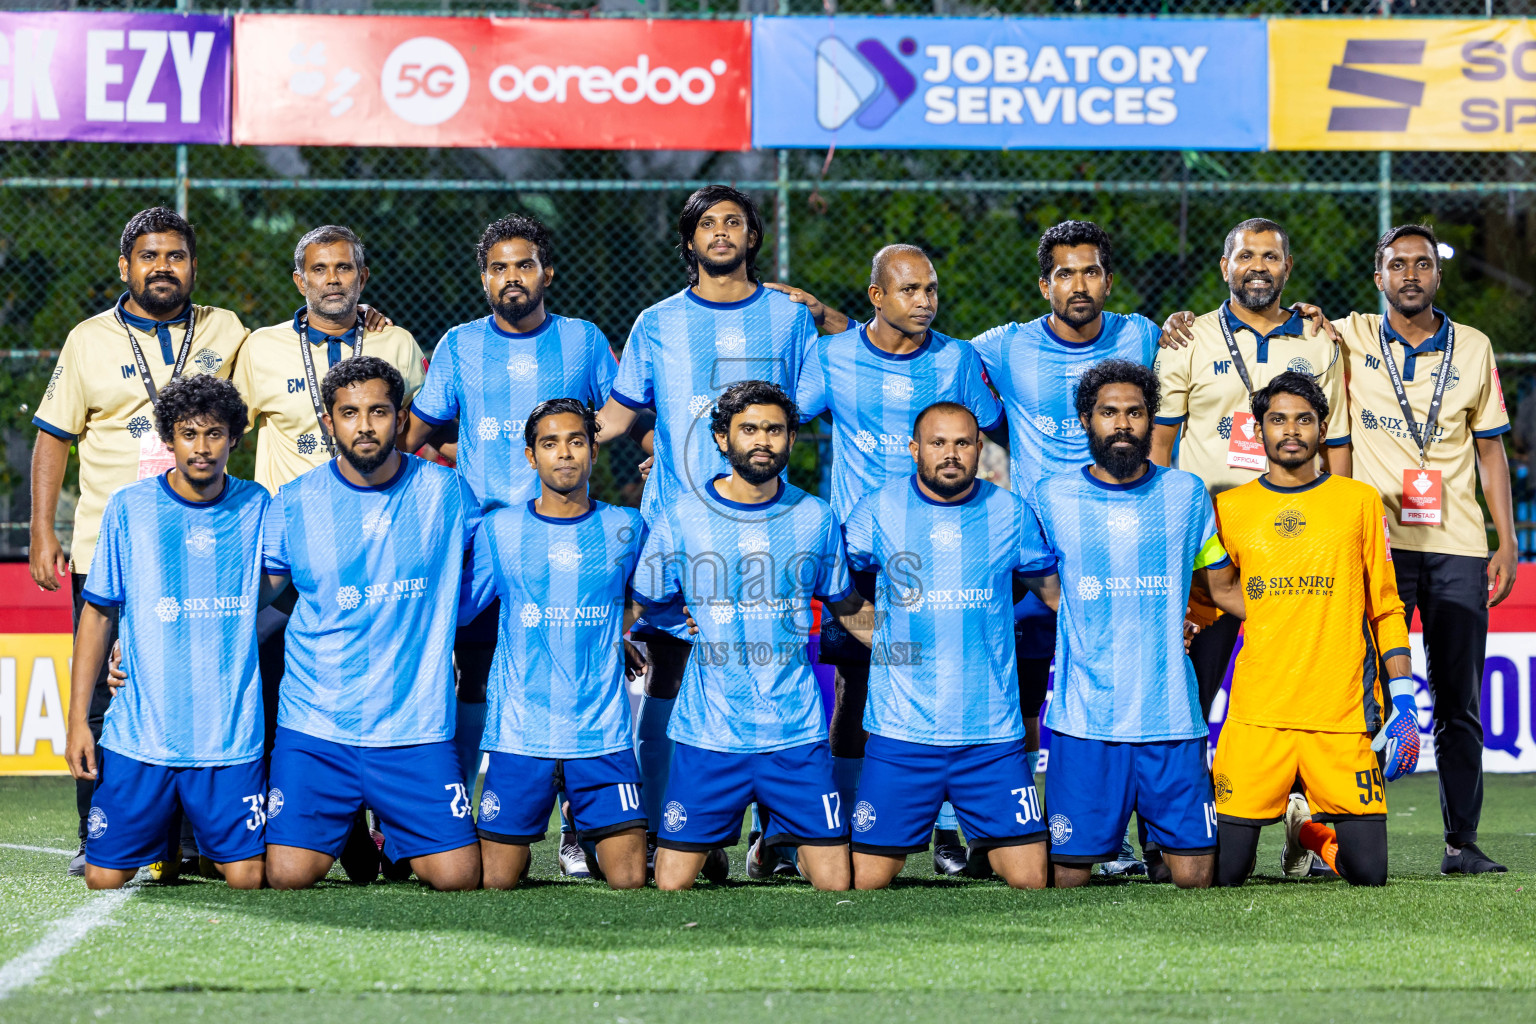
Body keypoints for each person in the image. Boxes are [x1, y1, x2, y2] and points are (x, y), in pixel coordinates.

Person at [595, 186, 818, 875]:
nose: (721, 232)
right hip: (680, 536)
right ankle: (674, 829)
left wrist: (836, 318)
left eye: (734, 222)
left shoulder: (788, 318)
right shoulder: (657, 322)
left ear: (753, 237)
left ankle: (777, 838)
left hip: (768, 535)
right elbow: (618, 417)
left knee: (769, 674)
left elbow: (814, 400)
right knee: (671, 675)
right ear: (689, 240)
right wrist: (550, 444)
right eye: (708, 223)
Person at [399, 215, 621, 877]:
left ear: (547, 273)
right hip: (484, 546)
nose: (512, 277)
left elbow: (621, 414)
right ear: (484, 278)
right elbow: (418, 431)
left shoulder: (583, 340)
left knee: (572, 676)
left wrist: (646, 455)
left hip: (569, 541)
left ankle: (578, 827)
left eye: (524, 265)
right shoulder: (459, 344)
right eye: (499, 267)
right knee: (471, 677)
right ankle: (455, 816)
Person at [30, 207, 250, 877]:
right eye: (149, 256)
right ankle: (93, 830)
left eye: (175, 256)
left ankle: (190, 840)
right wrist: (42, 529)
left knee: (197, 686)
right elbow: (53, 437)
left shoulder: (227, 330)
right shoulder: (88, 339)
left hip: (202, 551)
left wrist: (360, 319)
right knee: (104, 689)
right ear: (125, 266)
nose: (162, 267)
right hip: (112, 548)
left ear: (193, 266)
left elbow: (285, 363)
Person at [794, 244, 1004, 877]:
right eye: (909, 290)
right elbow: (780, 421)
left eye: (931, 289)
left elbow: (994, 428)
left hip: (948, 550)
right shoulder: (831, 356)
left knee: (954, 681)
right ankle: (839, 822)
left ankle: (948, 832)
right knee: (855, 689)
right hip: (863, 554)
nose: (924, 301)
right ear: (877, 296)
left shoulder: (957, 359)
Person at [231, 224, 424, 882]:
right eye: (320, 269)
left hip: (378, 551)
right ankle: (304, 828)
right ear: (299, 280)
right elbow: (226, 433)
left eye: (344, 268)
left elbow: (418, 434)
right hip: (289, 556)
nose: (332, 279)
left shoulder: (395, 343)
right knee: (277, 695)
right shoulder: (260, 349)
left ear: (362, 278)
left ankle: (393, 829)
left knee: (377, 691)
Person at [1328, 224, 1513, 875]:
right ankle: (1350, 834)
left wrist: (1506, 539)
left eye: (1423, 263)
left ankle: (1462, 843)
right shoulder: (1347, 336)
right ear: (1378, 276)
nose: (1411, 274)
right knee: (1364, 694)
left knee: (1459, 701)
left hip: (1458, 546)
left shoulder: (1474, 346)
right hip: (1377, 545)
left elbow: (1490, 450)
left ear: (1438, 274)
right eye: (1398, 264)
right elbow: (1280, 326)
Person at [260, 356, 480, 891]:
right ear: (328, 422)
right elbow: (250, 598)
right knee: (288, 876)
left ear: (400, 418)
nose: (364, 426)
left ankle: (396, 835)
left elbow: (506, 561)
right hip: (317, 725)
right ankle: (347, 831)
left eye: (378, 411)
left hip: (413, 727)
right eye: (349, 413)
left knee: (457, 878)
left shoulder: (448, 493)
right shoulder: (295, 501)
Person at [634, 381, 863, 892]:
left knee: (837, 883)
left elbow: (846, 604)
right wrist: (680, 623)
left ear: (792, 439)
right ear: (722, 438)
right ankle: (712, 842)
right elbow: (647, 598)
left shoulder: (816, 517)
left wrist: (914, 643)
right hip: (710, 734)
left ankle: (773, 843)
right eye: (749, 429)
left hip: (795, 733)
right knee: (671, 885)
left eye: (775, 430)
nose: (763, 440)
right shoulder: (683, 516)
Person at [1024, 360, 1244, 889]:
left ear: (1151, 420)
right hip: (1085, 722)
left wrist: (1307, 610)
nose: (1122, 424)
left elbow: (1223, 589)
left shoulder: (1187, 493)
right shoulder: (1050, 497)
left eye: (1135, 412)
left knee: (1197, 878)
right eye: (1109, 412)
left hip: (1171, 719)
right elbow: (1039, 583)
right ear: (1086, 420)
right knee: (1067, 879)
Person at [62, 375, 269, 890]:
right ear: (168, 438)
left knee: (247, 877)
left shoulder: (258, 506)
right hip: (143, 734)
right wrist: (78, 721)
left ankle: (190, 842)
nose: (202, 448)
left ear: (235, 438)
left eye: (215, 433)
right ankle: (165, 839)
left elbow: (280, 585)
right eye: (188, 434)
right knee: (102, 879)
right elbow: (97, 614)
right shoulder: (129, 507)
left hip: (227, 736)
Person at [1211, 372, 1415, 887]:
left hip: (1340, 716)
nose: (1291, 431)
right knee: (1224, 874)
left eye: (1304, 420)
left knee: (1369, 874)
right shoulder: (1230, 508)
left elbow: (1385, 605)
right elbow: (1214, 595)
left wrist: (1405, 696)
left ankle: (1305, 831)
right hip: (1259, 716)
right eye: (1277, 419)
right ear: (1258, 430)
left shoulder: (1359, 502)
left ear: (1323, 430)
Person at [841, 402, 1052, 889]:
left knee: (1031, 879)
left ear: (979, 448)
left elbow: (1056, 596)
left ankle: (984, 844)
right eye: (938, 443)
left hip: (990, 737)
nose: (950, 453)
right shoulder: (877, 509)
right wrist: (882, 640)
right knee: (866, 880)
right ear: (915, 449)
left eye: (962, 443)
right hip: (902, 734)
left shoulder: (1011, 513)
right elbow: (833, 585)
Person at [1152, 218, 1349, 723]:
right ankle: (1188, 777)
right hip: (1209, 542)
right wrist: (1164, 533)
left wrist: (1339, 527)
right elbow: (1159, 447)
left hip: (1293, 539)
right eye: (1245, 256)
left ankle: (1288, 777)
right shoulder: (1188, 338)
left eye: (1270, 256)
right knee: (1192, 693)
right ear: (1225, 267)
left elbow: (1336, 445)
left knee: (1295, 689)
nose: (1257, 266)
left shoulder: (1319, 340)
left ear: (1288, 267)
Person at [460, 398, 649, 890]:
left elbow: (650, 596)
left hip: (600, 732)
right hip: (522, 731)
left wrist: (615, 631)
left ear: (594, 451)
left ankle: (584, 829)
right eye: (550, 443)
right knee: (495, 881)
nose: (564, 453)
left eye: (576, 441)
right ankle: (541, 834)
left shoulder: (627, 526)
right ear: (531, 456)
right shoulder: (500, 529)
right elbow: (460, 609)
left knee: (629, 879)